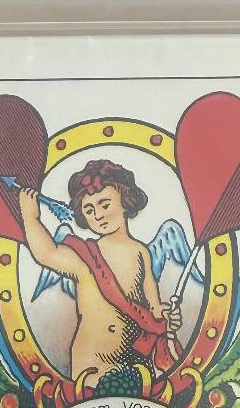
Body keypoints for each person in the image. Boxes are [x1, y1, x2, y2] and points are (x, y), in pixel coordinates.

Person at [18, 160, 182, 391]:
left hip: (137, 362)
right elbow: (47, 253)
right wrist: (30, 217)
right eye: (89, 210)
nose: (98, 215)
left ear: (125, 201)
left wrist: (167, 317)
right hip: (93, 365)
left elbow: (153, 307)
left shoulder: (141, 252)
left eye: (105, 205)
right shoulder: (86, 256)